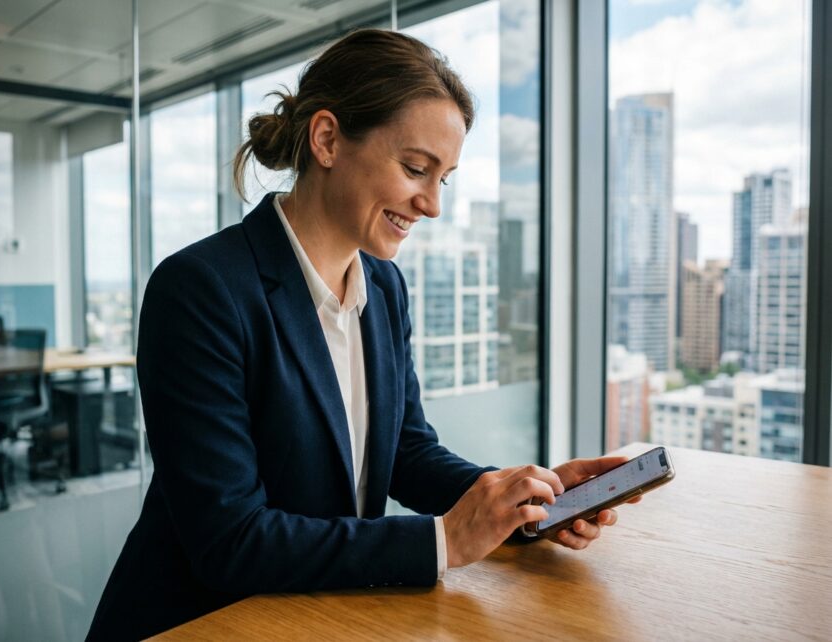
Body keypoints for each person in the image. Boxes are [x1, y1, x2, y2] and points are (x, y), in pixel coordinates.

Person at [87, 28, 638, 641]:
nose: (431, 204)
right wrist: (442, 541)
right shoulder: (200, 289)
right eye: (414, 169)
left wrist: (523, 503)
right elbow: (231, 540)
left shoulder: (383, 285)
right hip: (200, 624)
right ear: (326, 139)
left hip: (317, 616)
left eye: (443, 179)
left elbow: (404, 451)